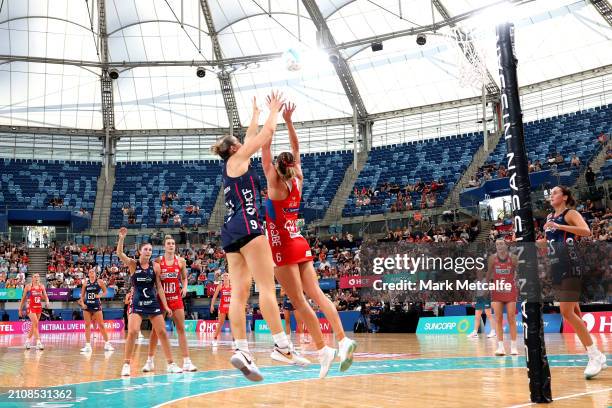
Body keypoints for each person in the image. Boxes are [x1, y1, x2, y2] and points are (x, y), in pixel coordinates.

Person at [211, 91, 308, 382]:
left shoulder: (232, 164)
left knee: (239, 293)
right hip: (249, 226)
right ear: (235, 148)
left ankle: (242, 350)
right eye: (241, 142)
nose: (245, 142)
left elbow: (252, 134)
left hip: (230, 231)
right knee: (267, 288)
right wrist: (273, 111)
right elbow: (265, 135)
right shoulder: (240, 157)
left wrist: (253, 113)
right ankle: (282, 346)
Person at [262, 101, 356, 375]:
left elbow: (264, 148)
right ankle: (342, 339)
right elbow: (296, 149)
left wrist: (271, 116)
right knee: (316, 293)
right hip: (299, 240)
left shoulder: (275, 183)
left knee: (299, 302)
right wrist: (289, 121)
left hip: (282, 244)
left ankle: (322, 349)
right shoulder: (297, 179)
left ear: (277, 168)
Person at [543, 186, 606, 379]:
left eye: (555, 192)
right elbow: (550, 243)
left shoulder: (570, 214)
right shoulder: (548, 218)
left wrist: (561, 227)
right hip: (556, 268)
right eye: (551, 193)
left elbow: (586, 231)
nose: (551, 195)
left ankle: (595, 356)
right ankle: (594, 352)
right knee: (575, 312)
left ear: (565, 197)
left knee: (566, 312)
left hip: (571, 265)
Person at [116, 227, 182, 376]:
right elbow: (119, 253)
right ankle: (126, 364)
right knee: (132, 332)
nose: (148, 252)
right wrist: (121, 238)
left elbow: (159, 287)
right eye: (146, 249)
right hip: (137, 302)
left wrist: (165, 305)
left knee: (162, 332)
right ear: (140, 251)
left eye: (150, 250)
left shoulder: (155, 266)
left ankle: (171, 364)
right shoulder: (133, 264)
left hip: (152, 302)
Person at [143, 235, 197, 372]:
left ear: (175, 246)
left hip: (176, 298)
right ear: (164, 246)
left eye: (173, 243)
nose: (171, 245)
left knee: (181, 329)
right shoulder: (157, 261)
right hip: (161, 300)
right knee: (156, 331)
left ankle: (186, 361)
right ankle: (149, 361)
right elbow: (154, 279)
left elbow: (184, 278)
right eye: (168, 243)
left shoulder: (181, 261)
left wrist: (185, 287)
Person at [487, 240, 518, 356]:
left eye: (501, 243)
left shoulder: (513, 258)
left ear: (506, 245)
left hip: (510, 290)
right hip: (497, 291)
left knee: (511, 318)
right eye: (497, 244)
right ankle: (500, 348)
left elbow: (519, 272)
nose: (499, 245)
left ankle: (513, 347)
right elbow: (489, 274)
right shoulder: (492, 258)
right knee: (498, 319)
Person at [78, 268, 114, 352]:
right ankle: (87, 346)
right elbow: (82, 296)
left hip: (96, 305)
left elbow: (105, 292)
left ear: (95, 273)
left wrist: (99, 295)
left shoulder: (100, 281)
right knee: (87, 325)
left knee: (101, 325)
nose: (91, 273)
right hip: (87, 306)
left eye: (92, 272)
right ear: (88, 274)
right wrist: (83, 304)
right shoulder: (85, 283)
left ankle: (107, 344)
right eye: (90, 272)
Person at [18, 273, 50, 350]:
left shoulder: (41, 286)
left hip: (38, 307)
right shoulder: (28, 286)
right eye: (35, 277)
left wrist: (47, 302)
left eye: (38, 277)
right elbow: (23, 299)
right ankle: (38, 342)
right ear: (32, 278)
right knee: (35, 323)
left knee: (34, 325)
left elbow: (45, 296)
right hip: (30, 307)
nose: (36, 278)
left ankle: (27, 341)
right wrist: (20, 309)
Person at [467, 267, 496, 339]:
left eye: (480, 272)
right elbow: (474, 292)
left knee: (488, 314)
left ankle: (493, 331)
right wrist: (474, 300)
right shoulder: (475, 281)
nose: (478, 273)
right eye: (477, 273)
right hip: (478, 300)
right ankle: (475, 332)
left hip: (486, 299)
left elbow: (488, 290)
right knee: (477, 316)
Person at [210, 272, 231, 347]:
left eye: (227, 275)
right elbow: (214, 297)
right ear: (222, 278)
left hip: (230, 307)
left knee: (233, 323)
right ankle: (214, 338)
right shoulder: (220, 286)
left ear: (229, 277)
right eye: (224, 275)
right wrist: (212, 305)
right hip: (222, 307)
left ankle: (235, 340)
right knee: (220, 323)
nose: (225, 276)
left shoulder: (233, 286)